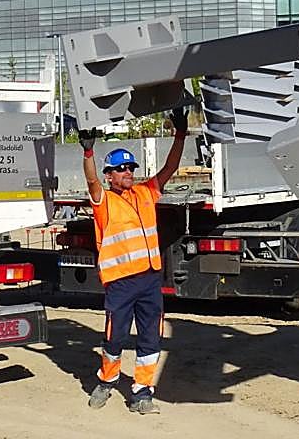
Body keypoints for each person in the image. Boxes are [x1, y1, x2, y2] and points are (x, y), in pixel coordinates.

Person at [80, 108, 189, 415]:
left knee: (151, 337)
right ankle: (107, 380)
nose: (128, 171)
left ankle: (142, 392)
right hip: (120, 282)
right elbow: (91, 182)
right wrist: (88, 151)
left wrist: (180, 135)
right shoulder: (104, 201)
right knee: (115, 337)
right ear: (109, 175)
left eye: (130, 166)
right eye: (121, 168)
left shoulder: (145, 193)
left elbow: (170, 167)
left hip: (150, 280)